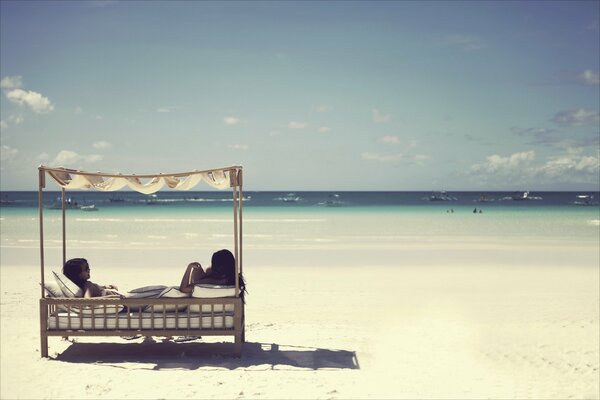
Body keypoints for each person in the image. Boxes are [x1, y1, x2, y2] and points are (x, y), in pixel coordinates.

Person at [179, 249, 246, 298]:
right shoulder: (236, 281)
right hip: (228, 313)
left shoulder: (209, 282)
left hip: (203, 308)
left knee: (196, 267)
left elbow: (183, 289)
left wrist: (189, 267)